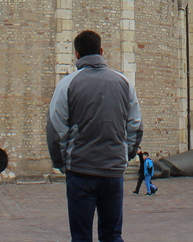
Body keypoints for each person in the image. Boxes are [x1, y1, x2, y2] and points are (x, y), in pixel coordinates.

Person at [46, 29, 143, 242]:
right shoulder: (124, 83)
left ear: (77, 55)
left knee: (81, 237)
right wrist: (124, 155)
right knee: (112, 235)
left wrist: (63, 163)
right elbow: (135, 126)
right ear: (101, 51)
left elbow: (55, 130)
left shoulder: (67, 84)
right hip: (112, 171)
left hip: (80, 170)